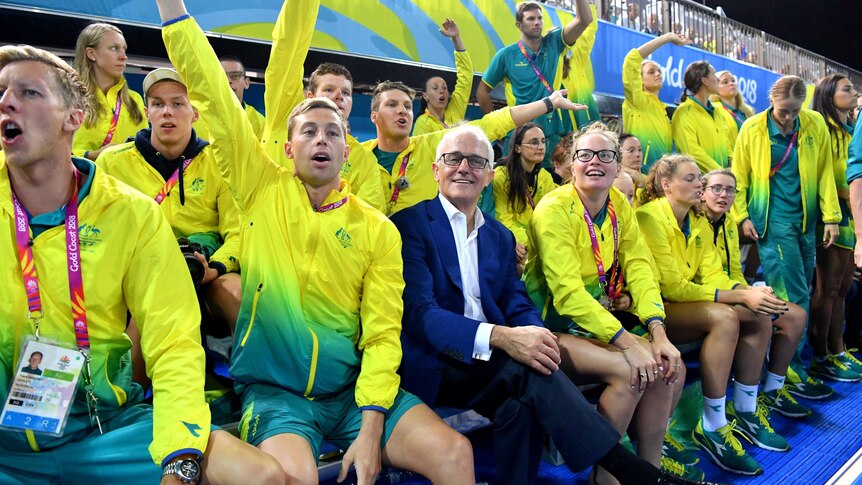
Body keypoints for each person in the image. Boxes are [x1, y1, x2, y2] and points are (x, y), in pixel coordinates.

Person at [157, 3, 477, 483]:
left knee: (455, 454)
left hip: (352, 392)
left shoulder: (376, 229)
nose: (321, 139)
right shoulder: (261, 189)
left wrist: (370, 427)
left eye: (333, 132)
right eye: (308, 131)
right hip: (276, 393)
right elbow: (216, 98)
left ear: (348, 150)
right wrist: (173, 11)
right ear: (288, 149)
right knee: (295, 479)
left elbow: (383, 332)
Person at [0, 43, 282, 484]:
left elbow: (174, 341)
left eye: (29, 92)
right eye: (1, 92)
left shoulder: (132, 211)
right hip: (6, 440)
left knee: (262, 476)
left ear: (74, 118)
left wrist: (180, 457)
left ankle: (258, 388)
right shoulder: (117, 160)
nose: (7, 102)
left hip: (103, 425)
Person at [390, 124, 709, 485]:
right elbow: (420, 315)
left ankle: (626, 473)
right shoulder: (408, 225)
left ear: (489, 175)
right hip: (438, 362)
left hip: (491, 365)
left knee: (521, 401)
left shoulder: (499, 235)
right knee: (526, 368)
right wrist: (503, 337)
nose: (464, 167)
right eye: (454, 159)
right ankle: (633, 473)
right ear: (436, 169)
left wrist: (535, 335)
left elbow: (515, 299)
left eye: (476, 161)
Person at [524, 124, 701, 482]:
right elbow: (569, 296)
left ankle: (647, 473)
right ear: (571, 166)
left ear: (618, 167)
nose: (594, 162)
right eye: (584, 155)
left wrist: (657, 331)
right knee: (630, 370)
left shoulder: (619, 203)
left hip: (598, 323)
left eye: (605, 155)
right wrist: (628, 342)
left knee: (667, 367)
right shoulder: (553, 209)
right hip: (550, 328)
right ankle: (603, 478)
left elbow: (640, 267)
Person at [637, 155, 797, 476]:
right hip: (652, 308)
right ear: (666, 185)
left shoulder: (695, 220)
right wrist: (741, 294)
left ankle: (747, 409)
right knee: (726, 317)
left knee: (759, 314)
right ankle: (712, 423)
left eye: (700, 179)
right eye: (693, 179)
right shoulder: (649, 217)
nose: (700, 185)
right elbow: (673, 286)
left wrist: (750, 293)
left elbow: (712, 275)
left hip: (683, 303)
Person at [95, 68, 243, 387]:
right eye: (158, 104)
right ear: (146, 112)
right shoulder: (112, 163)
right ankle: (131, 396)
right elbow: (97, 230)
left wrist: (214, 268)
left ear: (195, 112)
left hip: (203, 271)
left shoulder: (220, 162)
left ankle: (253, 389)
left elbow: (240, 233)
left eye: (178, 103)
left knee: (240, 293)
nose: (167, 112)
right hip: (139, 274)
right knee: (143, 305)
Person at [733, 75, 842, 400]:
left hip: (806, 220)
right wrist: (742, 215)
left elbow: (824, 172)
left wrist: (832, 217)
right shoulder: (752, 127)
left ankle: (786, 365)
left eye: (795, 111)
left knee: (803, 291)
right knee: (791, 292)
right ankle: (789, 369)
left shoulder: (813, 124)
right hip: (773, 220)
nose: (789, 117)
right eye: (783, 110)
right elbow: (739, 173)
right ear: (771, 100)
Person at [365, 81, 587, 216]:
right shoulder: (355, 155)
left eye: (407, 106)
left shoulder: (430, 144)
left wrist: (548, 103)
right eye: (391, 105)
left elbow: (492, 124)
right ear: (374, 116)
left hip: (419, 252)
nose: (402, 111)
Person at [700, 169, 811, 419]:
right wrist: (744, 293)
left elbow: (735, 271)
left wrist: (748, 289)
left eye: (730, 190)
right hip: (707, 296)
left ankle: (772, 391)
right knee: (760, 315)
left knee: (795, 315)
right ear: (702, 192)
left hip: (731, 290)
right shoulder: (696, 222)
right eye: (716, 188)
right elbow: (705, 276)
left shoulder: (728, 222)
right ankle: (739, 408)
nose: (724, 195)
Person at [259, 0, 385, 212]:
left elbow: (369, 217)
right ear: (309, 96)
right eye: (329, 90)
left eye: (346, 93)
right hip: (270, 232)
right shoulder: (284, 117)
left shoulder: (364, 160)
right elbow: (286, 50)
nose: (339, 97)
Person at [477, 0, 593, 169]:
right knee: (515, 189)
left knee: (552, 190)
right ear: (519, 24)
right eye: (531, 19)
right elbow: (482, 91)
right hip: (519, 138)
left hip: (551, 137)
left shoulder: (554, 42)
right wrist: (498, 128)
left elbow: (584, 20)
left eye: (540, 18)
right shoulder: (506, 55)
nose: (537, 22)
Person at [809, 74, 862, 381]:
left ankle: (838, 350)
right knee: (827, 289)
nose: (854, 93)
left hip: (849, 215)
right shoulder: (823, 129)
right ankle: (821, 355)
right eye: (847, 89)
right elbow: (825, 174)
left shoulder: (851, 129)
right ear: (829, 95)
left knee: (842, 289)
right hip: (830, 217)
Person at [72, 22, 148, 161]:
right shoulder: (68, 96)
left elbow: (143, 152)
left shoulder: (134, 100)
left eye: (124, 49)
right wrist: (90, 155)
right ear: (91, 53)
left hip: (123, 181)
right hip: (81, 180)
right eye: (114, 48)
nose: (123, 56)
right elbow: (50, 151)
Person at [623, 33, 691, 174]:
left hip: (658, 179)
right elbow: (631, 60)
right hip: (640, 177)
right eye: (651, 72)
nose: (658, 74)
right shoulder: (637, 101)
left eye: (659, 71)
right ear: (639, 79)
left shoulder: (664, 110)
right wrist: (667, 38)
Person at [492, 123, 557, 253]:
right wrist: (534, 243)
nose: (540, 147)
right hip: (516, 243)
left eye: (543, 141)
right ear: (517, 148)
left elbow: (553, 215)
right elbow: (503, 220)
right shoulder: (501, 176)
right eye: (533, 142)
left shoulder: (545, 176)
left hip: (539, 241)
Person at [412, 18, 472, 136]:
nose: (442, 91)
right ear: (425, 96)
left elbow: (466, 76)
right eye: (435, 88)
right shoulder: (423, 123)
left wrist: (456, 38)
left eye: (444, 88)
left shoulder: (454, 112)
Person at [671, 61, 733, 173]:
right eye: (714, 75)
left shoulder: (717, 111)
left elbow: (726, 142)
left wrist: (731, 160)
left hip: (721, 180)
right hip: (700, 181)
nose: (718, 79)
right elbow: (691, 151)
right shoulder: (684, 112)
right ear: (704, 81)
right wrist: (719, 172)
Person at [559, 3, 601, 130]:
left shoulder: (575, 62)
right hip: (565, 136)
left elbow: (588, 33)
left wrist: (588, 5)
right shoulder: (545, 72)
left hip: (589, 128)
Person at [219, 55, 266, 139]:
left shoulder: (260, 123)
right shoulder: (197, 115)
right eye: (222, 75)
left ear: (246, 83)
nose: (228, 81)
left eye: (235, 76)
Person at [711, 71, 754, 144]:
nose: (731, 83)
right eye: (725, 82)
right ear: (716, 89)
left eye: (733, 80)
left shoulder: (748, 111)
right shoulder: (715, 110)